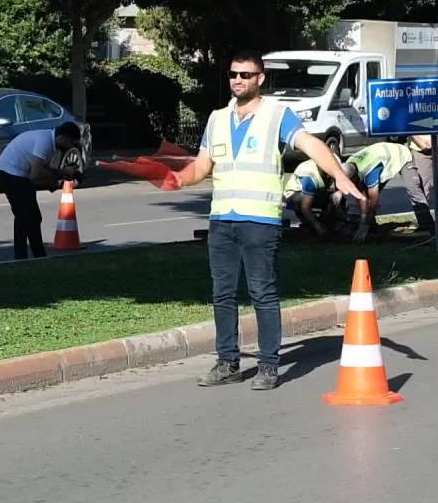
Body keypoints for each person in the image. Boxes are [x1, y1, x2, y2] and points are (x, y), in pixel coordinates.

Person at [169, 50, 362, 391]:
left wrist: (338, 175)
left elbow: (311, 144)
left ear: (260, 79)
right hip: (222, 221)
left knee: (262, 292)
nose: (238, 80)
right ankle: (227, 361)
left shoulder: (276, 115)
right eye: (233, 74)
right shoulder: (216, 119)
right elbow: (202, 166)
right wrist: (180, 178)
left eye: (245, 74)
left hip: (260, 222)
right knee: (222, 294)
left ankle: (269, 365)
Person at [0, 126, 81, 260]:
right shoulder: (45, 142)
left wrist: (55, 179)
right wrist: (59, 175)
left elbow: (43, 170)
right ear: (62, 138)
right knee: (28, 217)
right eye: (71, 143)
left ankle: (27, 256)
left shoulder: (51, 143)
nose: (71, 147)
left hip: (16, 174)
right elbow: (35, 175)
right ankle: (33, 255)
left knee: (26, 217)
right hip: (11, 173)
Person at [343, 141, 414, 242]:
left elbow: (374, 202)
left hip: (400, 154)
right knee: (365, 196)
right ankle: (371, 225)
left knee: (414, 189)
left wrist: (364, 226)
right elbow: (361, 196)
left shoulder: (370, 171)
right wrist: (363, 218)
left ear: (354, 177)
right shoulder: (349, 163)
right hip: (379, 153)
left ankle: (427, 226)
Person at [403, 134, 438, 232]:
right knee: (420, 184)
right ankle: (421, 218)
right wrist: (421, 143)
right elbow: (408, 124)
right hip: (419, 148)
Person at [283, 158, 341, 237]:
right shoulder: (310, 178)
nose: (328, 175)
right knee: (311, 228)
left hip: (315, 191)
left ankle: (326, 223)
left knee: (335, 196)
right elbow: (305, 207)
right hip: (294, 195)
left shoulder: (335, 161)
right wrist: (317, 226)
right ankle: (311, 225)